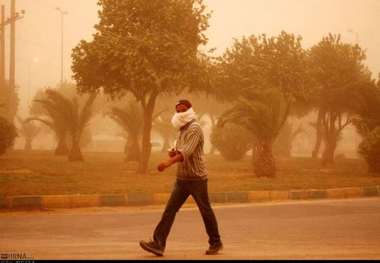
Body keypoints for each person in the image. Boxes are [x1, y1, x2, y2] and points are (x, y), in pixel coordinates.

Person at [139, 99, 223, 257]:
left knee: (205, 210)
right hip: (182, 179)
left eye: (182, 110)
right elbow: (179, 150)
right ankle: (158, 243)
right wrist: (172, 153)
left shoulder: (195, 128)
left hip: (197, 178)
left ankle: (216, 242)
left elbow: (186, 153)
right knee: (169, 210)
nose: (179, 113)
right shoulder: (182, 130)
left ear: (190, 110)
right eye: (177, 111)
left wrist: (167, 162)